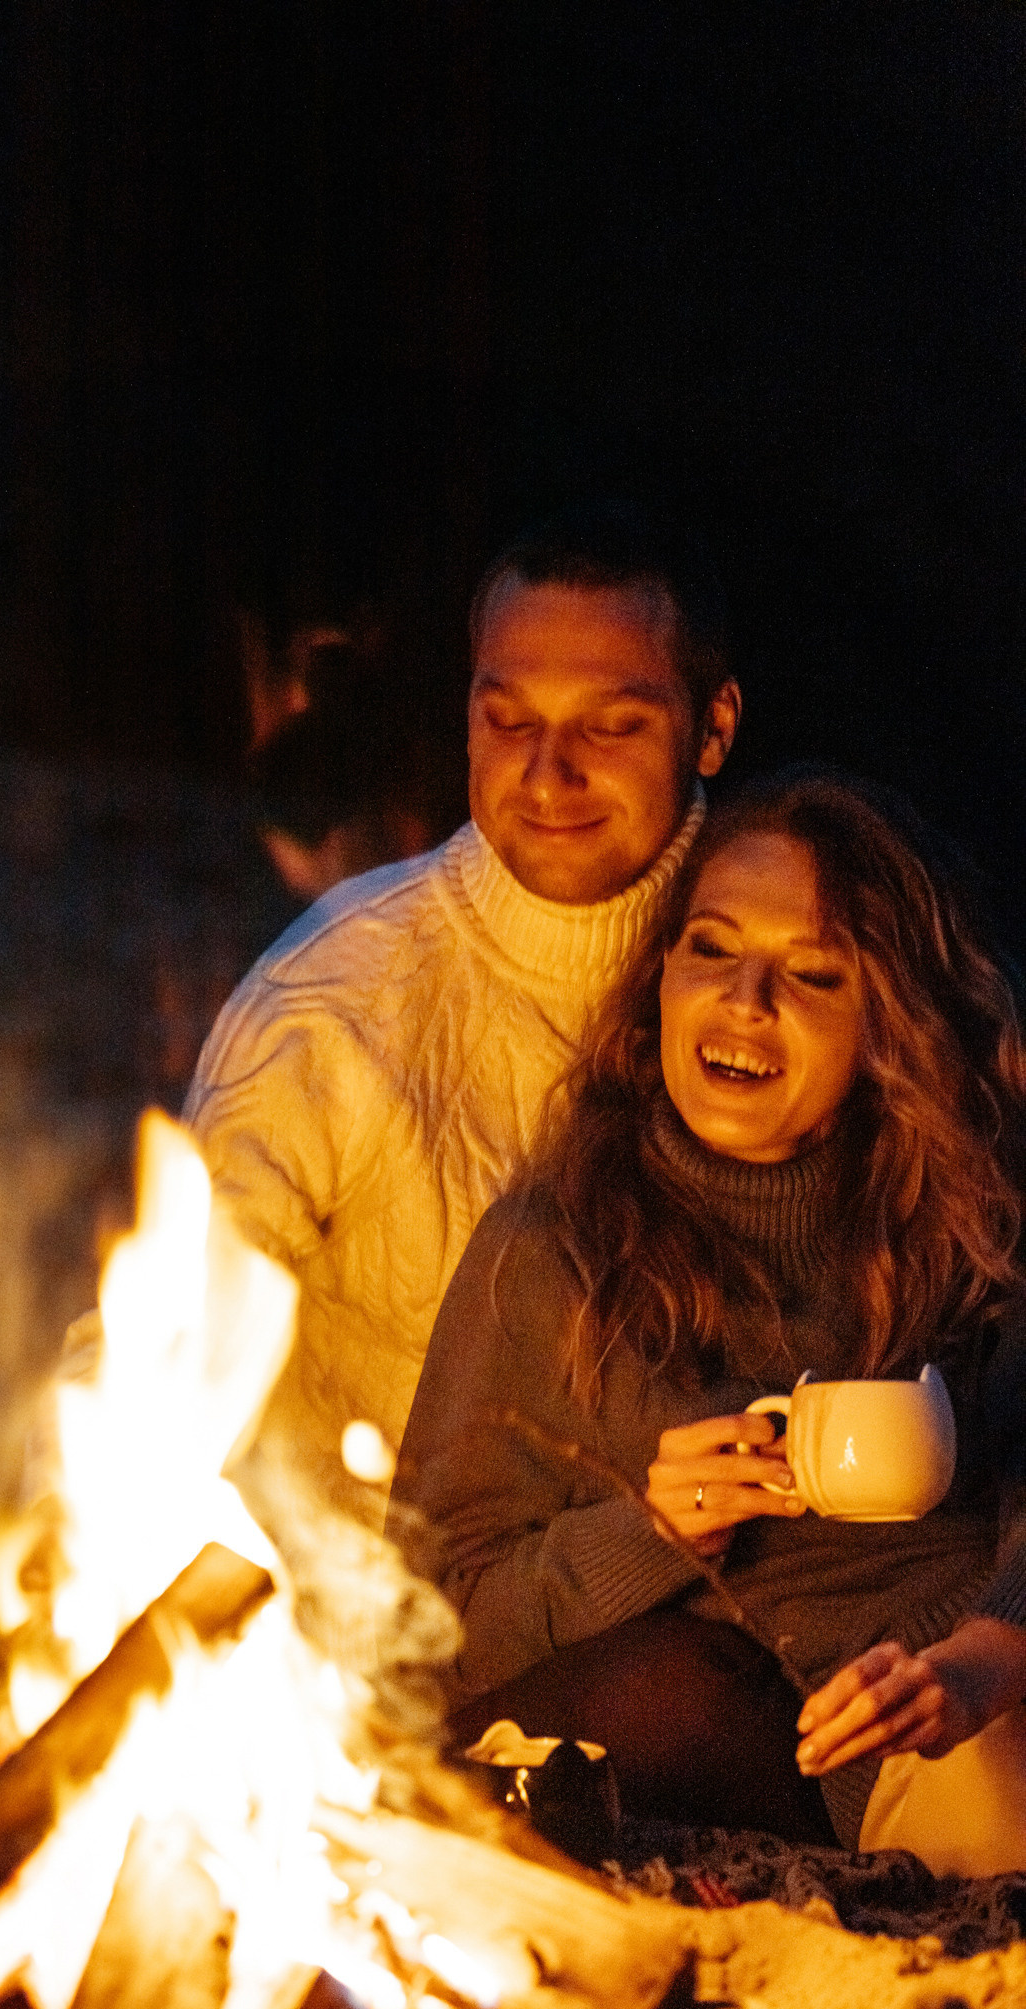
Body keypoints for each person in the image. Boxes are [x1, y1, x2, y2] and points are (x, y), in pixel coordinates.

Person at [391, 773, 1026, 1870]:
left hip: (972, 1685)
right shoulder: (553, 1247)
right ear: (660, 980)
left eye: (812, 973)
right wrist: (648, 1531)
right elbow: (426, 1624)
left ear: (888, 1022)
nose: (744, 999)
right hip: (771, 1732)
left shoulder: (961, 1214)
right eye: (710, 950)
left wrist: (988, 1651)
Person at [184, 503, 743, 1513]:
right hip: (378, 1623)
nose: (548, 772)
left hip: (714, 1617)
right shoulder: (338, 997)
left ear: (714, 726)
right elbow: (175, 1329)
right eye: (510, 719)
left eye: (611, 725)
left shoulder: (803, 978)